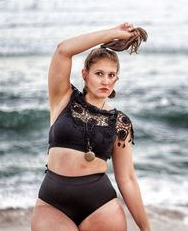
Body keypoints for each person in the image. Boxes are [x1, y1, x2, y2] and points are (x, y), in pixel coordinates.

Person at [31, 22, 151, 231]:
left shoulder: (120, 123)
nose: (106, 81)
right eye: (99, 73)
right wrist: (113, 33)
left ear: (117, 80)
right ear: (85, 74)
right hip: (52, 204)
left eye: (111, 75)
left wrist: (146, 229)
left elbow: (127, 179)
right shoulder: (63, 98)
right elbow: (63, 50)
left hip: (101, 207)